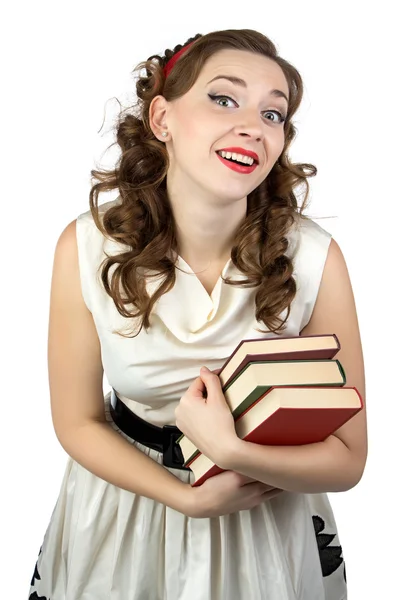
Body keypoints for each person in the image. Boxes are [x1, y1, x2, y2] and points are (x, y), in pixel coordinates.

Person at [28, 28, 367, 600]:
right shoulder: (86, 248)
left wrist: (232, 453)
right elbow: (77, 421)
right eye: (224, 98)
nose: (253, 126)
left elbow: (348, 459)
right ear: (162, 119)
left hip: (262, 525)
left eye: (274, 114)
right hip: (123, 514)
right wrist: (184, 497)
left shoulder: (313, 259)